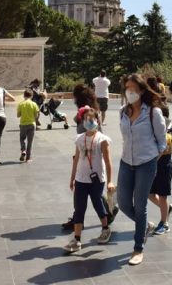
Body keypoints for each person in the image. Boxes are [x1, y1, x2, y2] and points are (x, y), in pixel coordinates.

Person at [118, 73, 166, 266]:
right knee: (122, 203)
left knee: (140, 205)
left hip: (146, 163)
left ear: (142, 90)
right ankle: (144, 226)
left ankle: (138, 248)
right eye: (127, 89)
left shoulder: (153, 112)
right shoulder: (122, 111)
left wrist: (153, 158)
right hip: (126, 162)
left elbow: (162, 141)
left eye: (134, 89)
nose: (130, 92)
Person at [63, 106, 116, 253]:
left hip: (97, 179)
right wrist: (72, 178)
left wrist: (110, 180)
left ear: (97, 121)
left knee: (98, 204)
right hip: (81, 179)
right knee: (79, 208)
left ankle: (105, 228)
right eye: (86, 120)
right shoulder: (79, 139)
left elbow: (108, 161)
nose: (88, 122)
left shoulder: (102, 139)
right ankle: (77, 239)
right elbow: (76, 159)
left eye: (91, 120)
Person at [149, 105, 172, 235]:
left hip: (164, 167)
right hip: (154, 166)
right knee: (150, 194)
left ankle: (164, 223)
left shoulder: (169, 131)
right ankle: (166, 209)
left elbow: (164, 146)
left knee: (163, 196)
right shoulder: (157, 129)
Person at [17, 89, 40, 163]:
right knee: (30, 142)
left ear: (24, 95)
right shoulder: (34, 104)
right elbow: (36, 115)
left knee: (22, 139)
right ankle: (28, 158)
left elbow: (18, 115)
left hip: (23, 124)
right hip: (32, 124)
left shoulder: (21, 104)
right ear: (32, 96)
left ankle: (23, 150)